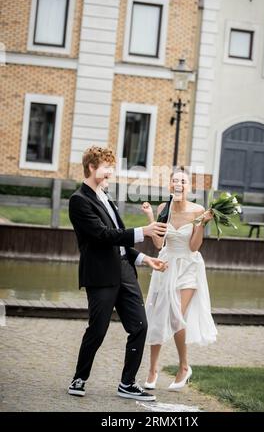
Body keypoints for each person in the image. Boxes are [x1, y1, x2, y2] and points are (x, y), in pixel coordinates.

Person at [67, 146, 168, 401]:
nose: (111, 171)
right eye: (106, 166)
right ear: (92, 167)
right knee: (98, 330)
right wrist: (143, 231)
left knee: (140, 326)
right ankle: (79, 378)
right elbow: (102, 236)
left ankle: (127, 383)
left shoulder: (106, 197)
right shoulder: (79, 200)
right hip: (101, 275)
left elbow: (119, 243)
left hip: (125, 272)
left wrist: (145, 258)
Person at [141, 167, 217, 390]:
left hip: (189, 267)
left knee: (176, 316)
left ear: (188, 187)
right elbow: (158, 244)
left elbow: (194, 247)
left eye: (182, 181)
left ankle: (184, 367)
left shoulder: (198, 210)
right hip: (165, 265)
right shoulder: (163, 207)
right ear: (170, 186)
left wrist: (202, 223)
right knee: (157, 315)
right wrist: (150, 217)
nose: (178, 184)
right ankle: (152, 370)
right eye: (175, 181)